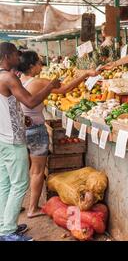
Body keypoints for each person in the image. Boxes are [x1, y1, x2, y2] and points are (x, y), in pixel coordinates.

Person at [18, 51, 99, 219]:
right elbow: (65, 89)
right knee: (37, 171)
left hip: (23, 129)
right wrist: (85, 74)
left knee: (26, 170)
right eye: (39, 63)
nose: (42, 66)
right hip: (36, 130)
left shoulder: (18, 81)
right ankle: (33, 208)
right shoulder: (38, 82)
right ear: (32, 66)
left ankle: (19, 205)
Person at [0, 43, 60, 241]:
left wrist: (18, 117)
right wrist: (50, 86)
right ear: (7, 56)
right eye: (17, 55)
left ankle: (4, 224)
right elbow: (31, 102)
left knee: (6, 184)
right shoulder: (8, 77)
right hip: (12, 139)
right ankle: (7, 232)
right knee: (19, 184)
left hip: (2, 137)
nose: (20, 59)